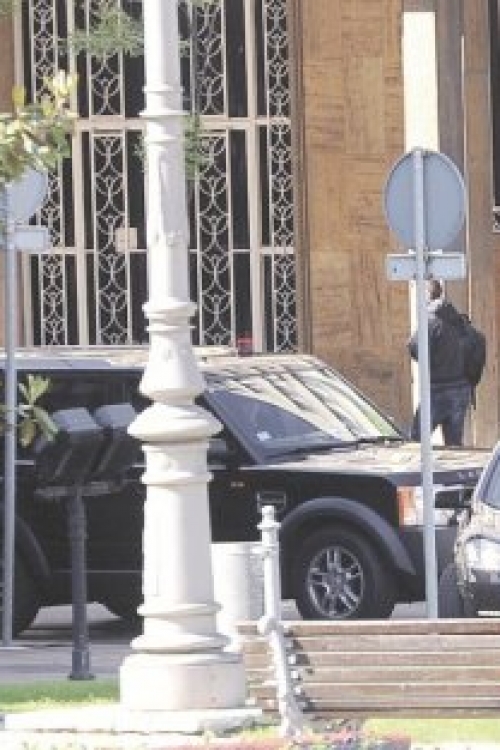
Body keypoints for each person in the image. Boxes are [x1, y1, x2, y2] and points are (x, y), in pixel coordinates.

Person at [408, 279, 471, 446]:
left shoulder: (430, 320)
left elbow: (414, 347)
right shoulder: (458, 319)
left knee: (416, 441)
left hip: (438, 389)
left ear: (427, 295)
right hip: (460, 389)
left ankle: (421, 465)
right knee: (454, 443)